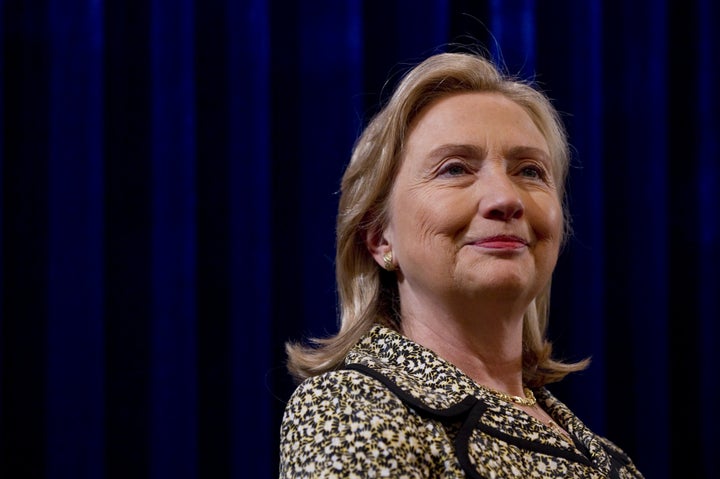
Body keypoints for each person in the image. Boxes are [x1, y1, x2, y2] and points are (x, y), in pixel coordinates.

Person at [278, 51, 644, 478]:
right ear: (380, 239)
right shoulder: (349, 406)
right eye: (455, 169)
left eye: (530, 171)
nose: (506, 199)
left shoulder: (607, 457)